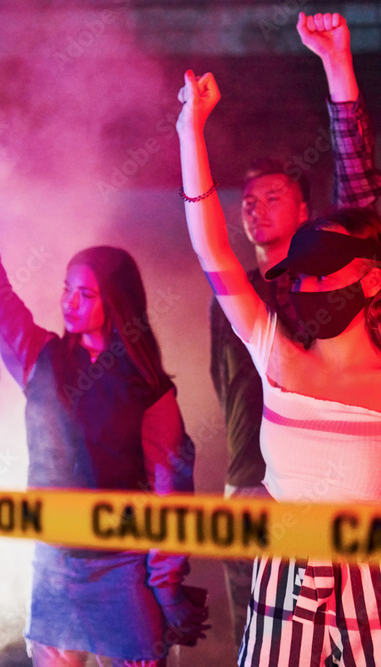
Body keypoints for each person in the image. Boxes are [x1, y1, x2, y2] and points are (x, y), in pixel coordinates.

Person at [0, 166, 203, 666]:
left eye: (86, 294)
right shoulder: (42, 359)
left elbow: (171, 486)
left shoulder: (148, 385)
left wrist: (166, 584)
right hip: (53, 564)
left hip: (124, 567)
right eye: (67, 290)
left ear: (116, 302)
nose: (70, 303)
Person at [177, 62, 381, 665]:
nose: (309, 286)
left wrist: (338, 67)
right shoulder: (276, 357)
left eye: (325, 273)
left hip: (371, 584)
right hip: (281, 580)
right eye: (302, 275)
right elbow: (212, 249)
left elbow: (360, 184)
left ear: (372, 281)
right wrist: (191, 132)